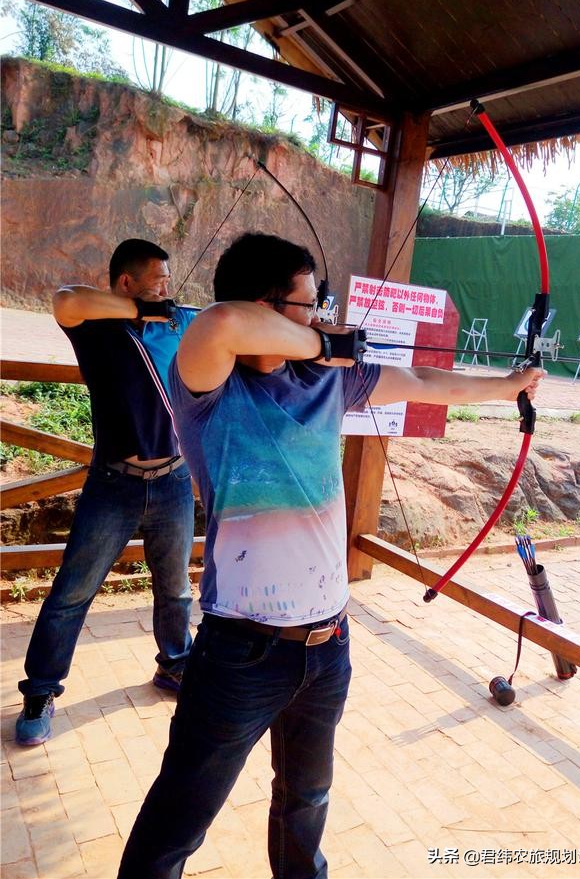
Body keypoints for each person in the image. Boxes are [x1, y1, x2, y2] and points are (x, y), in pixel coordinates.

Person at [118, 232, 543, 879]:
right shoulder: (209, 389)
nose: (322, 314)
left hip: (329, 643)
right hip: (241, 652)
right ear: (268, 303)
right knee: (179, 818)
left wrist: (509, 384)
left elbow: (424, 378)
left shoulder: (328, 382)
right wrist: (326, 341)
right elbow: (226, 321)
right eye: (310, 303)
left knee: (305, 804)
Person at [16, 239, 196, 747]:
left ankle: (175, 664)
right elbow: (64, 299)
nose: (168, 288)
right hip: (114, 483)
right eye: (158, 279)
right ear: (127, 283)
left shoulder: (175, 325)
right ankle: (41, 691)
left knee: (176, 588)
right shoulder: (96, 328)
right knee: (72, 592)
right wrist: (141, 309)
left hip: (174, 480)